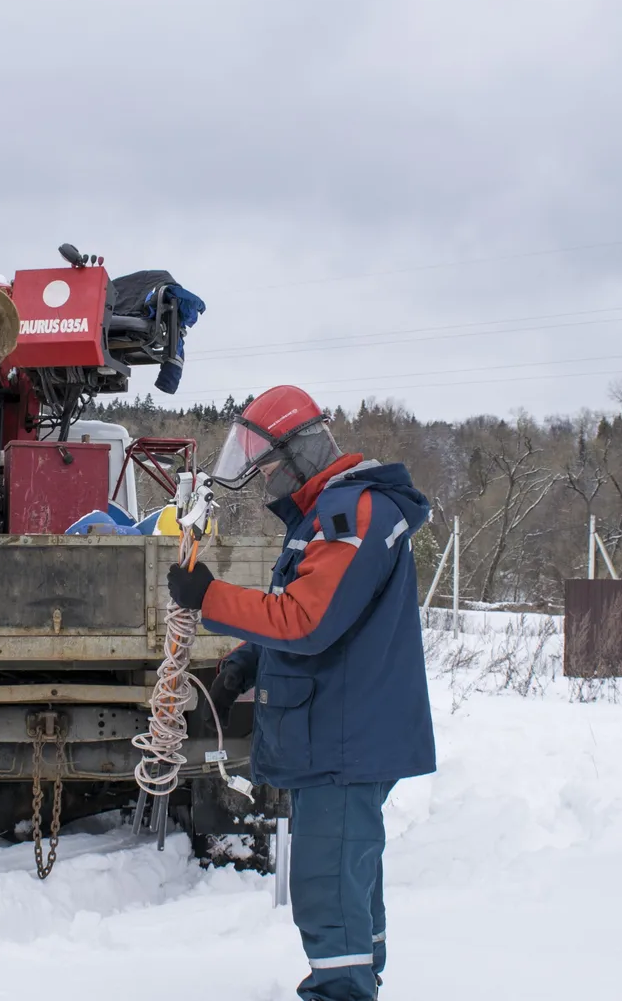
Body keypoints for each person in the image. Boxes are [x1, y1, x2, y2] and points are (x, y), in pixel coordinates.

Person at [166, 386, 435, 1001]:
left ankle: (343, 991)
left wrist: (209, 598)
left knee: (328, 885)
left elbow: (308, 621)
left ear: (300, 453)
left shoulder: (353, 515)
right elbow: (321, 614)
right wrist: (245, 662)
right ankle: (359, 978)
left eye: (270, 470)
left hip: (343, 737)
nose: (267, 485)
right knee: (348, 875)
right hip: (338, 731)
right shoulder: (326, 516)